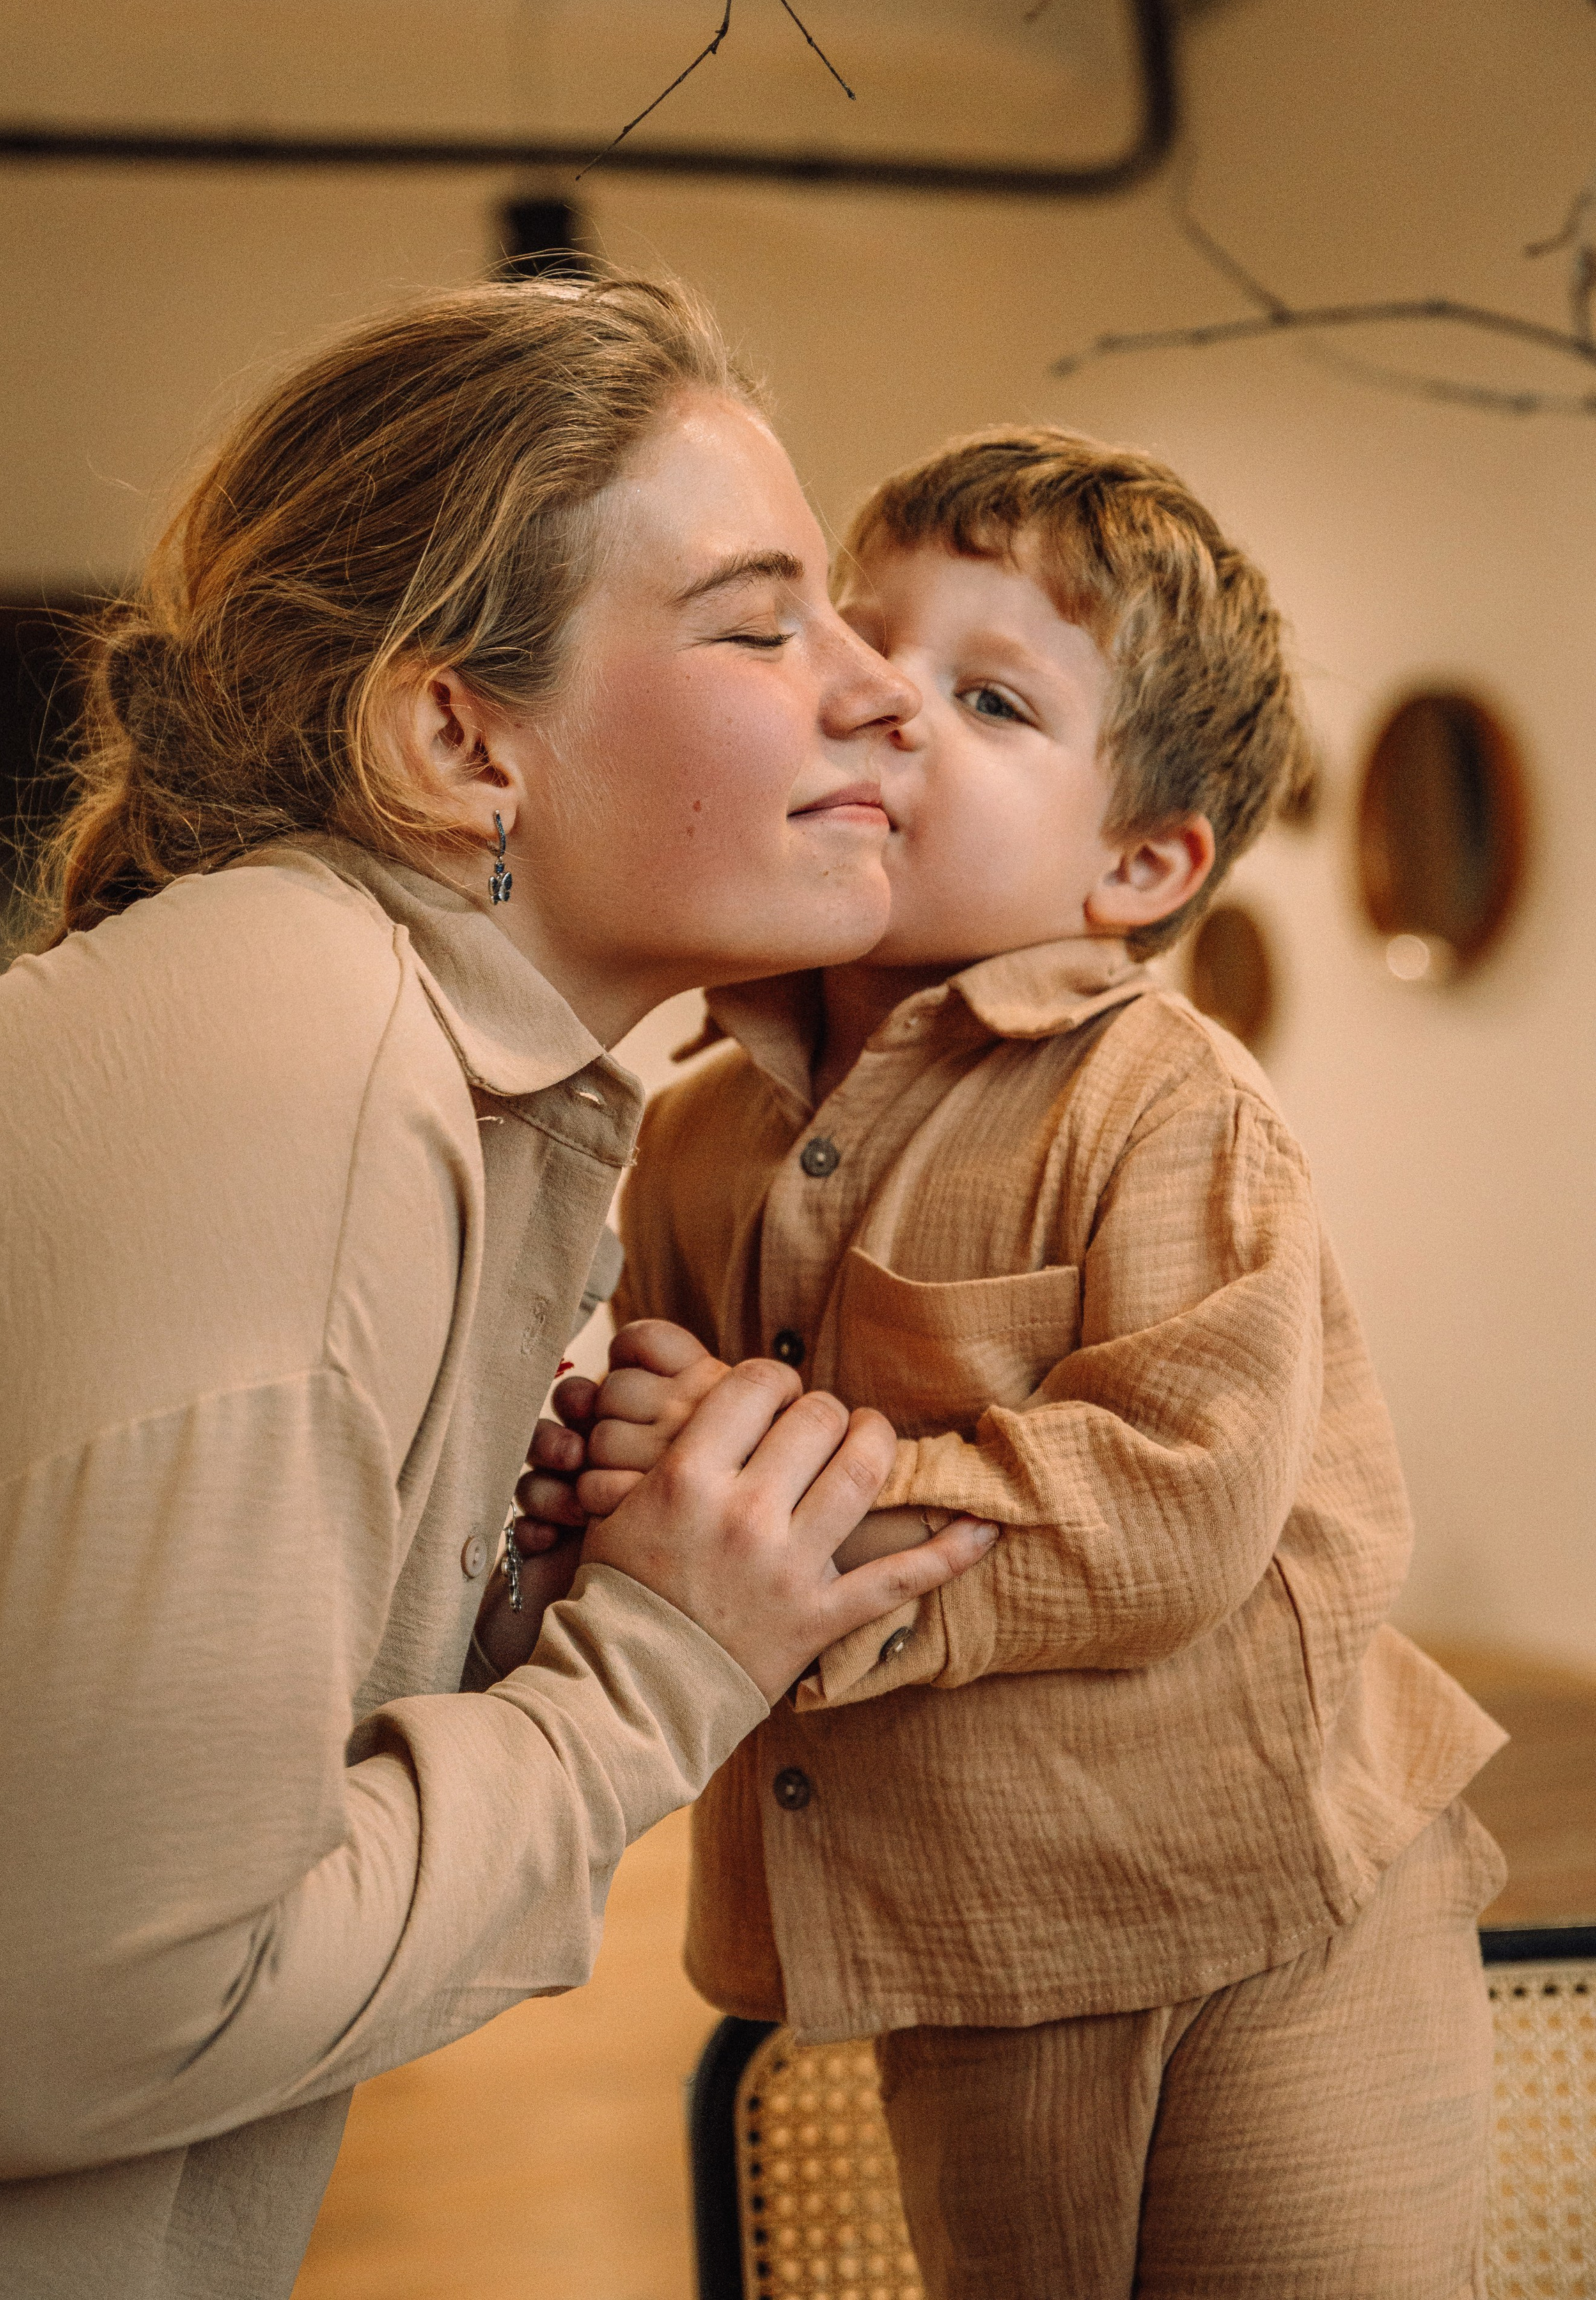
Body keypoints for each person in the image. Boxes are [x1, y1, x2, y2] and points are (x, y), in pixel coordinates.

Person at [0, 278, 1000, 2300]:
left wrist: (519, 1601)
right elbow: (79, 2038)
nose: (877, 686)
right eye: (757, 618)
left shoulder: (385, 1057)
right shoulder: (292, 1053)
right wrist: (660, 1666)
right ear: (460, 735)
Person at [524, 427, 1509, 2299]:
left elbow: (1172, 1501)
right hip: (952, 1928)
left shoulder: (1169, 1104)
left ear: (1139, 863)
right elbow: (676, 1524)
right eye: (863, 650)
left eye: (988, 696)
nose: (887, 709)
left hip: (1273, 1915)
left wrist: (768, 1476)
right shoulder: (692, 1134)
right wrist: (631, 1487)